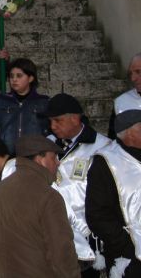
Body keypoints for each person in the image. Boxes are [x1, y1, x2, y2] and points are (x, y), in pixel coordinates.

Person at [0, 135, 80, 277]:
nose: (58, 163)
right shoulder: (48, 196)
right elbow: (61, 252)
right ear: (40, 159)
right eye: (54, 157)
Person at [43, 93, 111, 276]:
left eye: (57, 121)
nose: (52, 126)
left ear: (74, 118)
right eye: (50, 121)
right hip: (54, 226)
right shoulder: (46, 144)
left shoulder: (102, 146)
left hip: (88, 230)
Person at [86, 96, 141, 277]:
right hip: (127, 257)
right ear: (129, 133)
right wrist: (126, 245)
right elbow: (97, 214)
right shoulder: (106, 163)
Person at [0, 58, 49, 155]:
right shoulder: (1, 102)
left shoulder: (43, 103)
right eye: (11, 76)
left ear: (30, 78)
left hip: (34, 158)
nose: (14, 79)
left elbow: (48, 132)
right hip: (7, 157)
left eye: (19, 76)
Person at [108, 53, 141, 138]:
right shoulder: (121, 102)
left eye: (138, 72)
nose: (133, 78)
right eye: (131, 73)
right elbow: (113, 139)